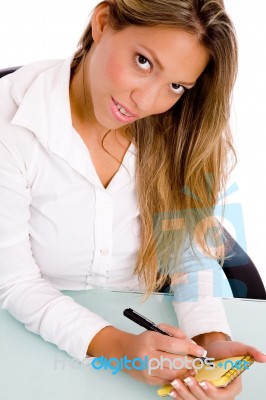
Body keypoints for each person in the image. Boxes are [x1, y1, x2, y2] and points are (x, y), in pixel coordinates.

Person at [0, 0, 265, 398]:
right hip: (29, 333)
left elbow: (185, 252)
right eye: (143, 61)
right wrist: (121, 350)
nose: (146, 101)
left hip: (145, 325)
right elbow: (16, 283)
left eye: (176, 86)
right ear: (103, 23)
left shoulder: (174, 128)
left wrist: (209, 341)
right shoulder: (12, 122)